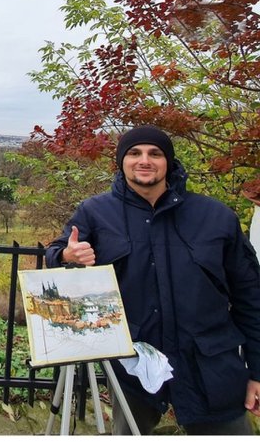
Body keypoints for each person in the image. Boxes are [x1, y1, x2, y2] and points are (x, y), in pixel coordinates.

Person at [45, 125, 260, 435]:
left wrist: (257, 372)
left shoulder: (216, 217)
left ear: (168, 162)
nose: (144, 160)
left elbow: (250, 298)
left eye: (155, 154)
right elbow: (55, 252)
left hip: (211, 366)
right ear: (121, 162)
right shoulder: (96, 212)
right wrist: (67, 255)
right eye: (134, 153)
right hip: (134, 368)